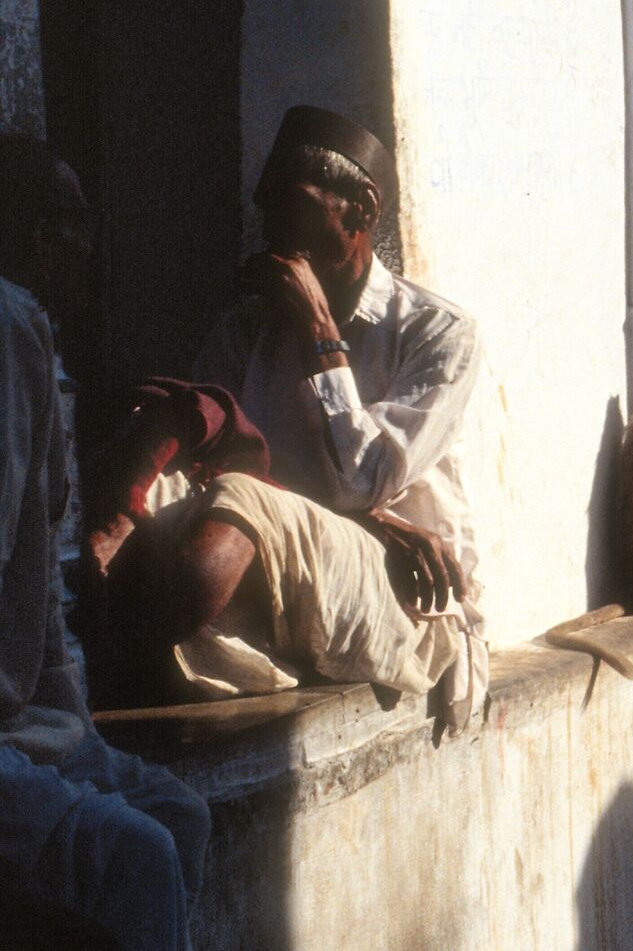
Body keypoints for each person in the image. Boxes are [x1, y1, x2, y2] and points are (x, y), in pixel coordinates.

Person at [82, 108, 488, 735]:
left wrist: (320, 333)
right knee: (155, 478)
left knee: (240, 501)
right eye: (266, 209)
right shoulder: (247, 327)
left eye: (293, 207)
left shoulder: (439, 334)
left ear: (361, 211)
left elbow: (362, 479)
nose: (273, 233)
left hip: (403, 590)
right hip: (291, 556)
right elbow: (204, 457)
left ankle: (116, 641)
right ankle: (97, 649)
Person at [0, 136, 209, 949]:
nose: (84, 241)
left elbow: (37, 597)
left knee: (175, 813)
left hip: (28, 723)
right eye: (65, 220)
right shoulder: (9, 322)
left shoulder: (35, 334)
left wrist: (69, 732)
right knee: (140, 854)